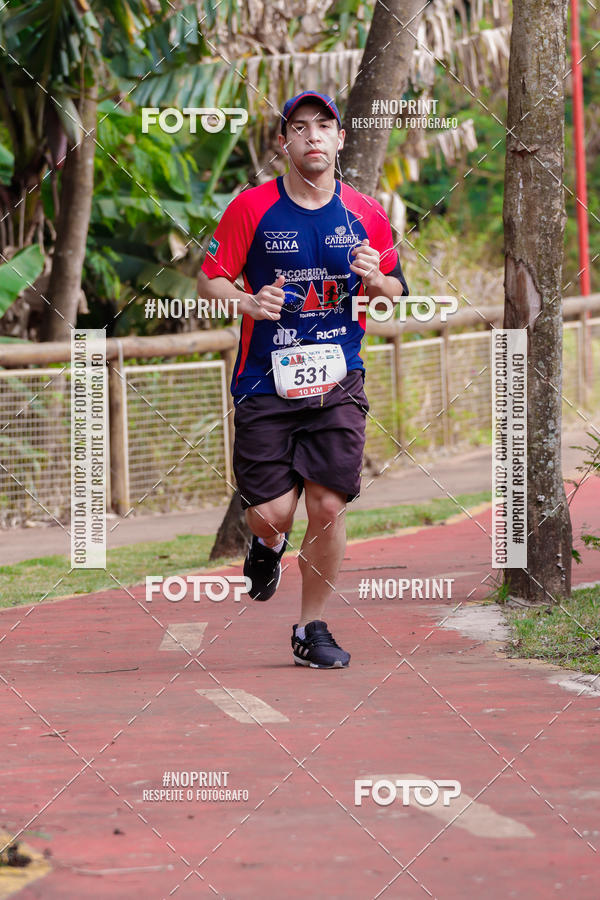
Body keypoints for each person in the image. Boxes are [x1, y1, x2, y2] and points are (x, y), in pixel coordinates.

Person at [198, 91, 408, 668]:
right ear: (285, 143)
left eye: (324, 126)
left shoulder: (366, 212)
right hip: (266, 379)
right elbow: (210, 280)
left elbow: (397, 289)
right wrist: (247, 299)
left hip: (340, 378)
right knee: (273, 513)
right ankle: (266, 543)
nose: (312, 136)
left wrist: (377, 280)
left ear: (340, 139)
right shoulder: (251, 208)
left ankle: (311, 627)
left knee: (327, 504)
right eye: (299, 127)